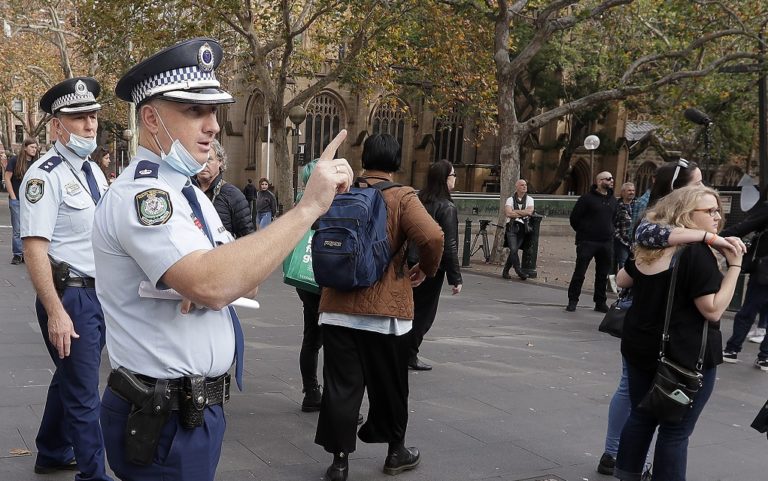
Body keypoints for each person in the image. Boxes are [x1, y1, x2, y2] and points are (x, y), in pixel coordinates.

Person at [92, 38, 353, 481]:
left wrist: (212, 278)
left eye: (215, 110)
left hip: (193, 411)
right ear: (151, 119)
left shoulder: (190, 192)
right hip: (163, 415)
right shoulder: (145, 195)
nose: (213, 125)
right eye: (195, 111)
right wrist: (308, 208)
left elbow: (242, 281)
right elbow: (216, 283)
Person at [315, 133, 443, 481]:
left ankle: (339, 462)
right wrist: (425, 269)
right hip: (385, 313)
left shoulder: (342, 191)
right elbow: (432, 236)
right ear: (396, 161)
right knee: (390, 385)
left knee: (341, 386)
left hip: (336, 307)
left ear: (365, 157)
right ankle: (395, 453)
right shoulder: (403, 196)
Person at [614, 185, 742, 481]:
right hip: (684, 355)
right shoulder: (696, 254)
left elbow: (623, 278)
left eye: (718, 211)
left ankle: (626, 474)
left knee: (642, 415)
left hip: (641, 347)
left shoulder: (651, 244)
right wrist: (734, 266)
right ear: (686, 214)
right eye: (709, 211)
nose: (717, 218)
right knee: (676, 429)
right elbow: (712, 309)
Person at [19, 78, 111, 480]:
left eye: (92, 116)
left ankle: (53, 451)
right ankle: (94, 474)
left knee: (70, 377)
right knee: (83, 392)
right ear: (57, 126)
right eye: (78, 118)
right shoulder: (44, 176)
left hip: (99, 294)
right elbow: (34, 248)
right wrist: (56, 310)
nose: (89, 126)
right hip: (70, 296)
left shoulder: (95, 172)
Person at [407, 159, 462, 371]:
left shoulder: (418, 200)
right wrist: (455, 278)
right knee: (424, 314)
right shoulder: (446, 207)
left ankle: (402, 351)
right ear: (444, 179)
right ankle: (410, 354)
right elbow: (449, 244)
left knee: (408, 310)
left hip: (410, 262)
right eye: (453, 175)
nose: (455, 179)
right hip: (430, 266)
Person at [720, 187, 768, 368]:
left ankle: (732, 349)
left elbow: (744, 227)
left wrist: (714, 237)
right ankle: (765, 357)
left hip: (764, 272)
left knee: (748, 310)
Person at [566, 171, 617, 312]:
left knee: (602, 274)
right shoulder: (586, 199)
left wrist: (610, 231)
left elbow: (614, 218)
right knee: (580, 272)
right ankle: (573, 300)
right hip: (587, 241)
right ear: (600, 181)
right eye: (608, 178)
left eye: (612, 178)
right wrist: (584, 232)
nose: (612, 180)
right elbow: (574, 218)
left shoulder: (613, 200)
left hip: (606, 242)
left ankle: (600, 302)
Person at [193, 139, 255, 238]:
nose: (204, 163)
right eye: (200, 158)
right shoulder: (185, 189)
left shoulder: (234, 196)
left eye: (209, 159)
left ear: (220, 162)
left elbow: (247, 239)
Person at [5, 138, 39, 264]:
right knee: (17, 229)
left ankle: (27, 254)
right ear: (25, 147)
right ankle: (17, 254)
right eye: (32, 147)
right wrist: (13, 196)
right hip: (17, 200)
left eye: (35, 148)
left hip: (31, 202)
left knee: (30, 229)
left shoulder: (36, 163)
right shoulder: (15, 160)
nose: (34, 150)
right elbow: (7, 178)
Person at [502, 179, 534, 281]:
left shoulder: (530, 199)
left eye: (525, 185)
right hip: (511, 227)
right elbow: (508, 213)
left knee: (513, 251)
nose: (524, 187)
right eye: (522, 185)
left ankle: (505, 271)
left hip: (522, 229)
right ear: (517, 187)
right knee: (514, 249)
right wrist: (522, 212)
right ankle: (519, 271)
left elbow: (529, 212)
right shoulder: (510, 200)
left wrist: (515, 211)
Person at [613, 182, 635, 270]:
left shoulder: (638, 204)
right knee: (622, 264)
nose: (632, 192)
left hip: (634, 242)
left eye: (633, 190)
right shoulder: (616, 205)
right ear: (622, 192)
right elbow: (612, 223)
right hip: (620, 241)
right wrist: (618, 237)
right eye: (629, 190)